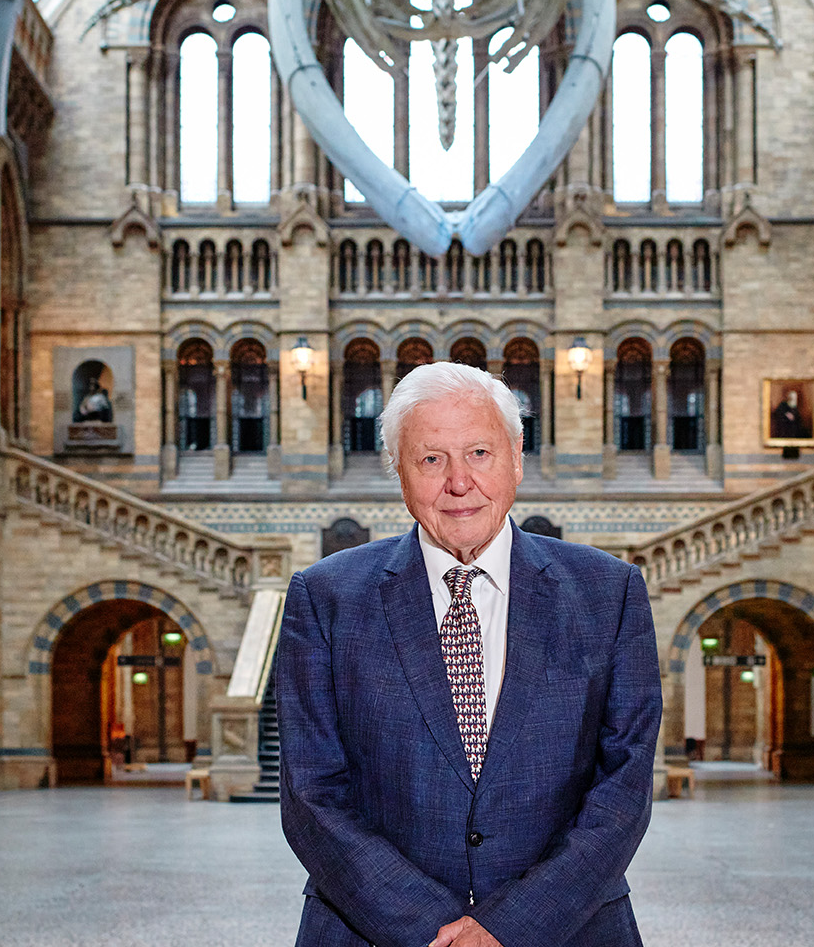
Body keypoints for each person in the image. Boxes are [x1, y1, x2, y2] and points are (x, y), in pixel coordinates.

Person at [277, 361, 661, 947]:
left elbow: (625, 787)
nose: (460, 483)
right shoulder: (325, 597)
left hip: (572, 928)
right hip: (370, 930)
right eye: (431, 459)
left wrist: (509, 926)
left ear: (517, 458)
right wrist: (434, 931)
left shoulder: (609, 593)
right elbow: (311, 793)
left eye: (479, 453)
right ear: (398, 471)